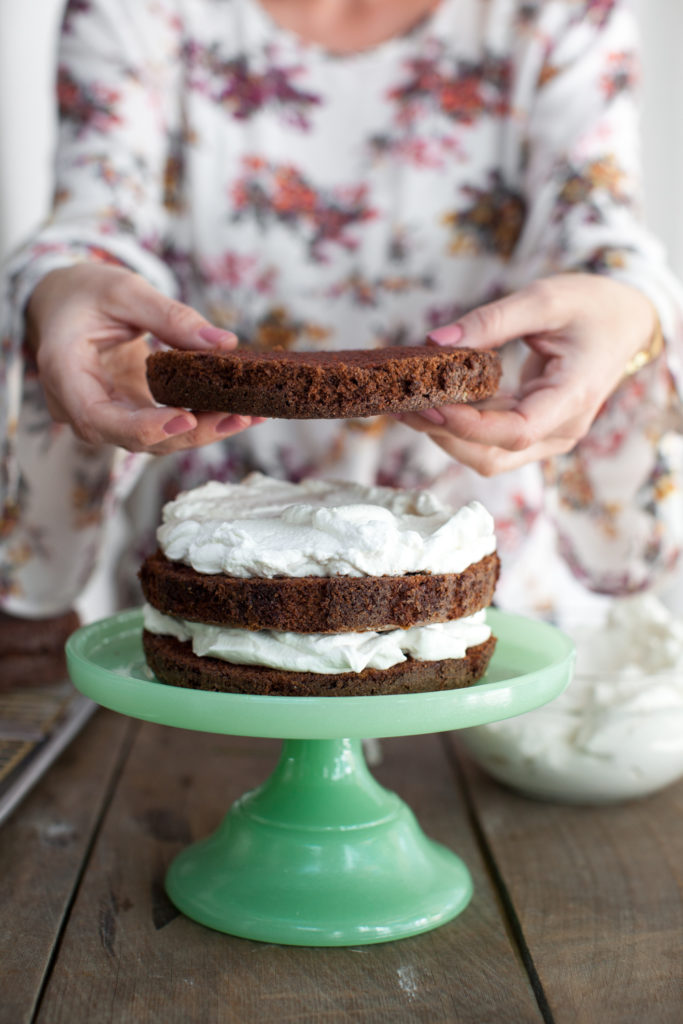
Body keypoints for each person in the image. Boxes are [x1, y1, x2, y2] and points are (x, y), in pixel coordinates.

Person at [1, 0, 682, 658]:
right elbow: (99, 219)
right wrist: (60, 288)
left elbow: (597, 229)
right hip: (220, 595)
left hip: (465, 597)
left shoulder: (558, 11)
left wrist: (627, 307)